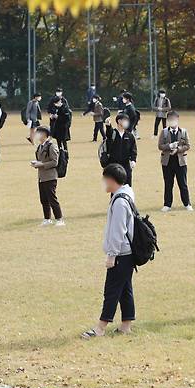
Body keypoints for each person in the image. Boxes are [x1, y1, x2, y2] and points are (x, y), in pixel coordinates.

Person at [81, 164, 136, 339]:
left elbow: (118, 231)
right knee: (125, 288)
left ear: (112, 180)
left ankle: (100, 328)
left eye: (105, 179)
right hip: (127, 253)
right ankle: (126, 325)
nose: (103, 182)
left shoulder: (120, 201)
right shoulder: (126, 193)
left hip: (121, 253)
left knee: (111, 291)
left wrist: (111, 255)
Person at [158, 111, 192, 212]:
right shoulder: (164, 132)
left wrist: (178, 149)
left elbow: (188, 145)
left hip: (180, 161)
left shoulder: (183, 131)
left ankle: (187, 203)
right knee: (168, 183)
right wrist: (169, 146)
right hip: (167, 162)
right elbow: (160, 146)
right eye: (170, 119)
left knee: (183, 183)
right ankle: (167, 204)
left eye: (174, 119)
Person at [31, 126, 64, 227]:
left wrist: (41, 164)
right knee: (43, 199)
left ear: (45, 134)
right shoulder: (40, 146)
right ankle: (47, 218)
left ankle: (59, 219)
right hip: (42, 177)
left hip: (50, 177)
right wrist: (36, 163)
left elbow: (55, 162)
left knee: (52, 199)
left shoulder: (51, 146)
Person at [104, 114, 137, 186]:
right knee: (115, 186)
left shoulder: (129, 135)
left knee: (127, 186)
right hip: (114, 165)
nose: (127, 122)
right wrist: (108, 125)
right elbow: (109, 133)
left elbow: (133, 149)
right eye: (125, 120)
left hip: (126, 165)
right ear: (119, 121)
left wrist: (133, 160)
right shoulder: (113, 133)